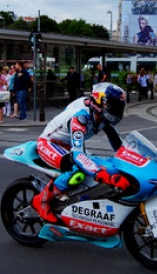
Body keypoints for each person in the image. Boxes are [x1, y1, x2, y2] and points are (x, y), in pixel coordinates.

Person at [33, 83, 130, 222]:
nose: (115, 111)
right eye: (112, 107)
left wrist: (137, 159)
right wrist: (100, 174)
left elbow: (119, 145)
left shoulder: (102, 116)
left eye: (118, 108)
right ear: (100, 103)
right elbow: (78, 154)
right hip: (50, 143)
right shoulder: (81, 117)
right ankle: (41, 200)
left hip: (70, 145)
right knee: (78, 170)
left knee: (108, 164)